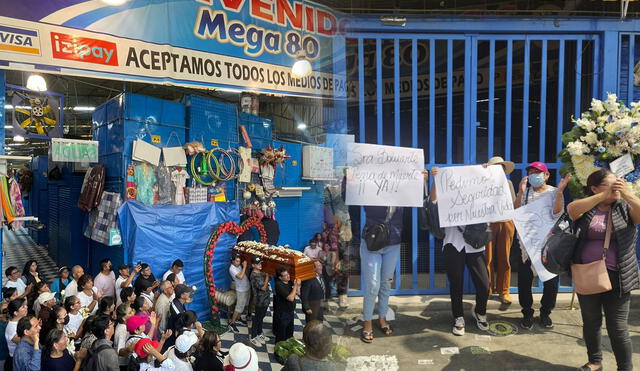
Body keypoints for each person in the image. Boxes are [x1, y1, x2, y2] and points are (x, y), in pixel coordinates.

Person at [567, 169, 640, 371]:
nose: (615, 188)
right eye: (610, 185)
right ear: (594, 188)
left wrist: (626, 193)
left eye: (618, 184)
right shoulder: (588, 208)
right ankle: (595, 361)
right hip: (587, 274)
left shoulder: (625, 207)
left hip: (619, 276)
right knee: (591, 322)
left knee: (617, 328)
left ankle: (625, 368)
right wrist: (602, 196)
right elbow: (572, 209)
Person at [430, 166, 490, 337]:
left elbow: (493, 200)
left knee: (484, 284)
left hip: (475, 245)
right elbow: (433, 202)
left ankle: (480, 312)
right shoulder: (447, 195)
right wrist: (436, 179)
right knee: (456, 284)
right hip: (452, 243)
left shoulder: (478, 196)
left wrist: (487, 172)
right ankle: (458, 318)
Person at [514, 161, 569, 330]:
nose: (533, 175)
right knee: (524, 281)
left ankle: (545, 313)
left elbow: (557, 213)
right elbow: (516, 212)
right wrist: (520, 193)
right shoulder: (525, 192)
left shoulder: (553, 192)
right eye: (530, 171)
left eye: (537, 172)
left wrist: (560, 192)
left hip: (549, 246)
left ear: (546, 175)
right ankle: (527, 313)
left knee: (551, 282)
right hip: (526, 245)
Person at [359, 203, 404, 343]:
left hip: (393, 241)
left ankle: (382, 317)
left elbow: (418, 193)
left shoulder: (403, 187)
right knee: (373, 285)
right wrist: (348, 181)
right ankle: (367, 321)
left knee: (386, 283)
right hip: (372, 238)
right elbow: (349, 194)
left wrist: (423, 180)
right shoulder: (371, 185)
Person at [482, 157, 517, 304]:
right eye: (495, 167)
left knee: (504, 258)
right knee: (487, 258)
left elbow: (514, 203)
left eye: (501, 168)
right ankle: (487, 289)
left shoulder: (508, 183)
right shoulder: (482, 184)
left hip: (506, 221)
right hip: (488, 223)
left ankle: (504, 291)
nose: (499, 170)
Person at [273, 267, 300, 344]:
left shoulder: (289, 282)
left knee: (289, 333)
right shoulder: (279, 285)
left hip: (290, 311)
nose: (288, 276)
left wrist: (298, 285)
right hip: (282, 313)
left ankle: (287, 349)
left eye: (288, 274)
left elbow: (298, 293)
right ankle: (278, 353)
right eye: (285, 275)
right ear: (280, 277)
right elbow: (291, 298)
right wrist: (295, 286)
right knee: (281, 335)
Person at [249, 257, 270, 348]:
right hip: (259, 301)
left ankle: (259, 333)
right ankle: (253, 337)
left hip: (265, 299)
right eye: (258, 264)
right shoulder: (254, 275)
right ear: (253, 265)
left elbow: (269, 280)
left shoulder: (260, 273)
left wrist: (266, 277)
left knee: (261, 317)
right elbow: (263, 288)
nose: (260, 265)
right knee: (257, 319)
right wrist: (267, 277)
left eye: (260, 263)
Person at [228, 255, 249, 333]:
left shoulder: (239, 265)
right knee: (239, 306)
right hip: (241, 290)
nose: (238, 263)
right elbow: (240, 276)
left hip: (246, 287)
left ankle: (238, 318)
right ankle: (232, 323)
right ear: (233, 261)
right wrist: (244, 267)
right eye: (236, 261)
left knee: (243, 305)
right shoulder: (232, 268)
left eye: (239, 261)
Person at [5, 299, 28, 370]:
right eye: (23, 307)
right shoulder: (12, 327)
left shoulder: (21, 322)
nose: (26, 307)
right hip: (15, 360)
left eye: (25, 305)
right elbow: (24, 343)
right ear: (15, 313)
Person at [113, 303, 134, 370]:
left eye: (132, 311)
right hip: (122, 364)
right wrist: (130, 348)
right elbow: (120, 351)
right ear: (123, 318)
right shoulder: (123, 330)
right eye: (130, 313)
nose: (133, 313)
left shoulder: (122, 324)